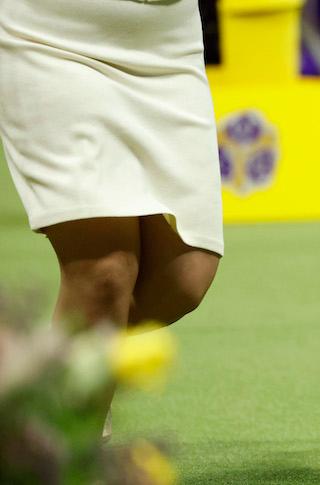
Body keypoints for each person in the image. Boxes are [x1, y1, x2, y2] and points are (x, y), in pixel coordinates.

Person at [0, 0, 223, 437]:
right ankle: (67, 452)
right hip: (51, 33)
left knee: (185, 277)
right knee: (105, 272)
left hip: (166, 40)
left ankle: (27, 381)